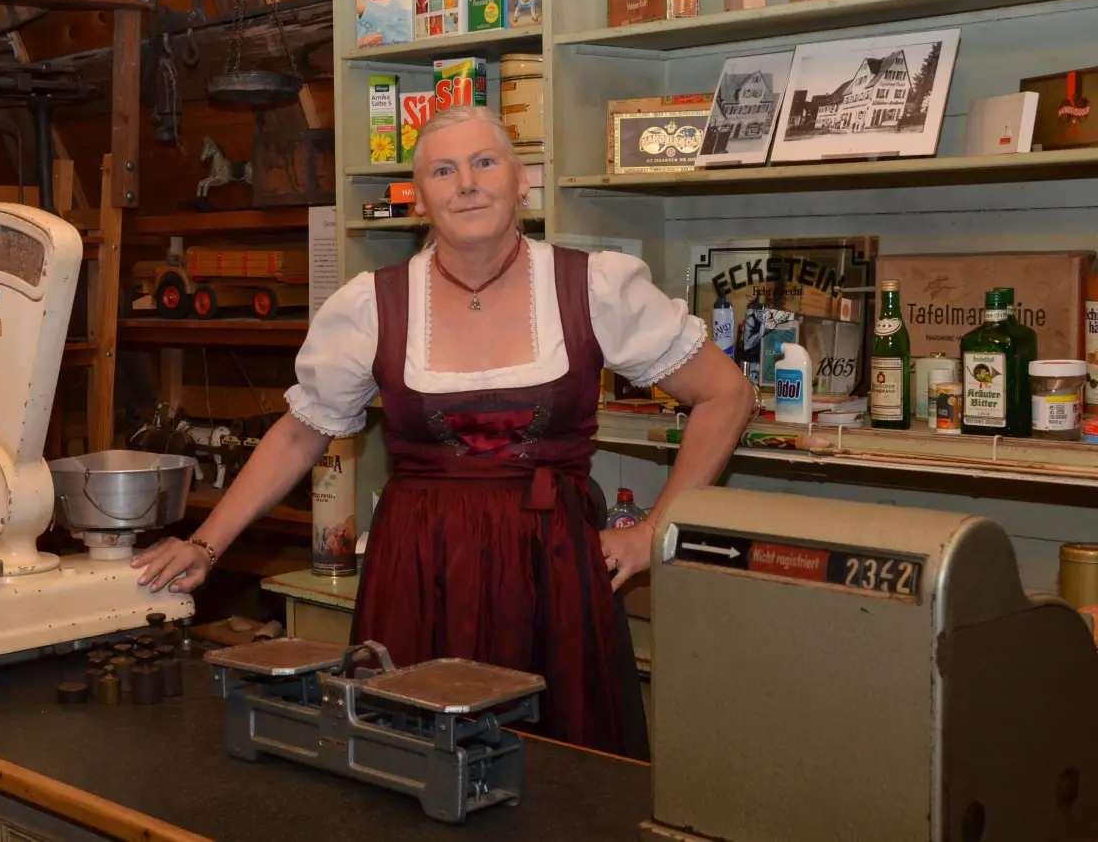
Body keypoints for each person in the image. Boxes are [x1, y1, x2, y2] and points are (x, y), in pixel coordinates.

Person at [132, 106, 756, 758]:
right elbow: (298, 434)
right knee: (410, 764)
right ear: (421, 200)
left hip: (554, 571)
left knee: (561, 777)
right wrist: (204, 548)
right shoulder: (373, 305)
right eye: (443, 170)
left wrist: (654, 530)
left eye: (485, 162)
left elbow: (726, 393)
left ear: (522, 183)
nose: (467, 183)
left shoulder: (591, 286)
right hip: (418, 571)